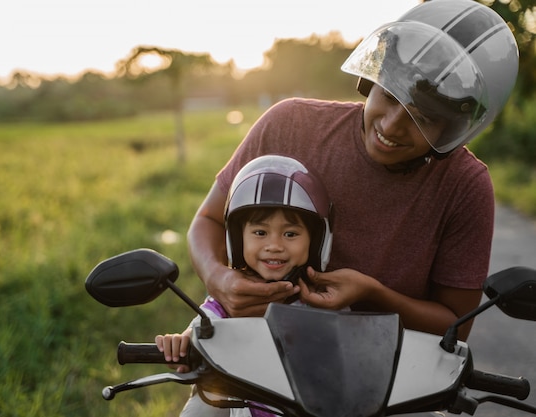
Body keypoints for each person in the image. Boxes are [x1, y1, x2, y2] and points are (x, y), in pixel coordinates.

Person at [186, 0, 519, 342]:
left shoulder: (464, 185)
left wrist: (372, 294)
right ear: (370, 80)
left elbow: (456, 326)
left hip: (395, 378)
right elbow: (209, 220)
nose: (391, 126)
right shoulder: (291, 125)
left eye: (424, 118)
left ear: (452, 129)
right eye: (390, 96)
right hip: (256, 356)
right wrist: (219, 280)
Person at [156, 155, 334, 417]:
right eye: (260, 233)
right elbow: (204, 328)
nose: (274, 245)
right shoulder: (230, 301)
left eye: (290, 234)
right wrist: (182, 343)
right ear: (237, 240)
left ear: (317, 240)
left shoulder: (325, 299)